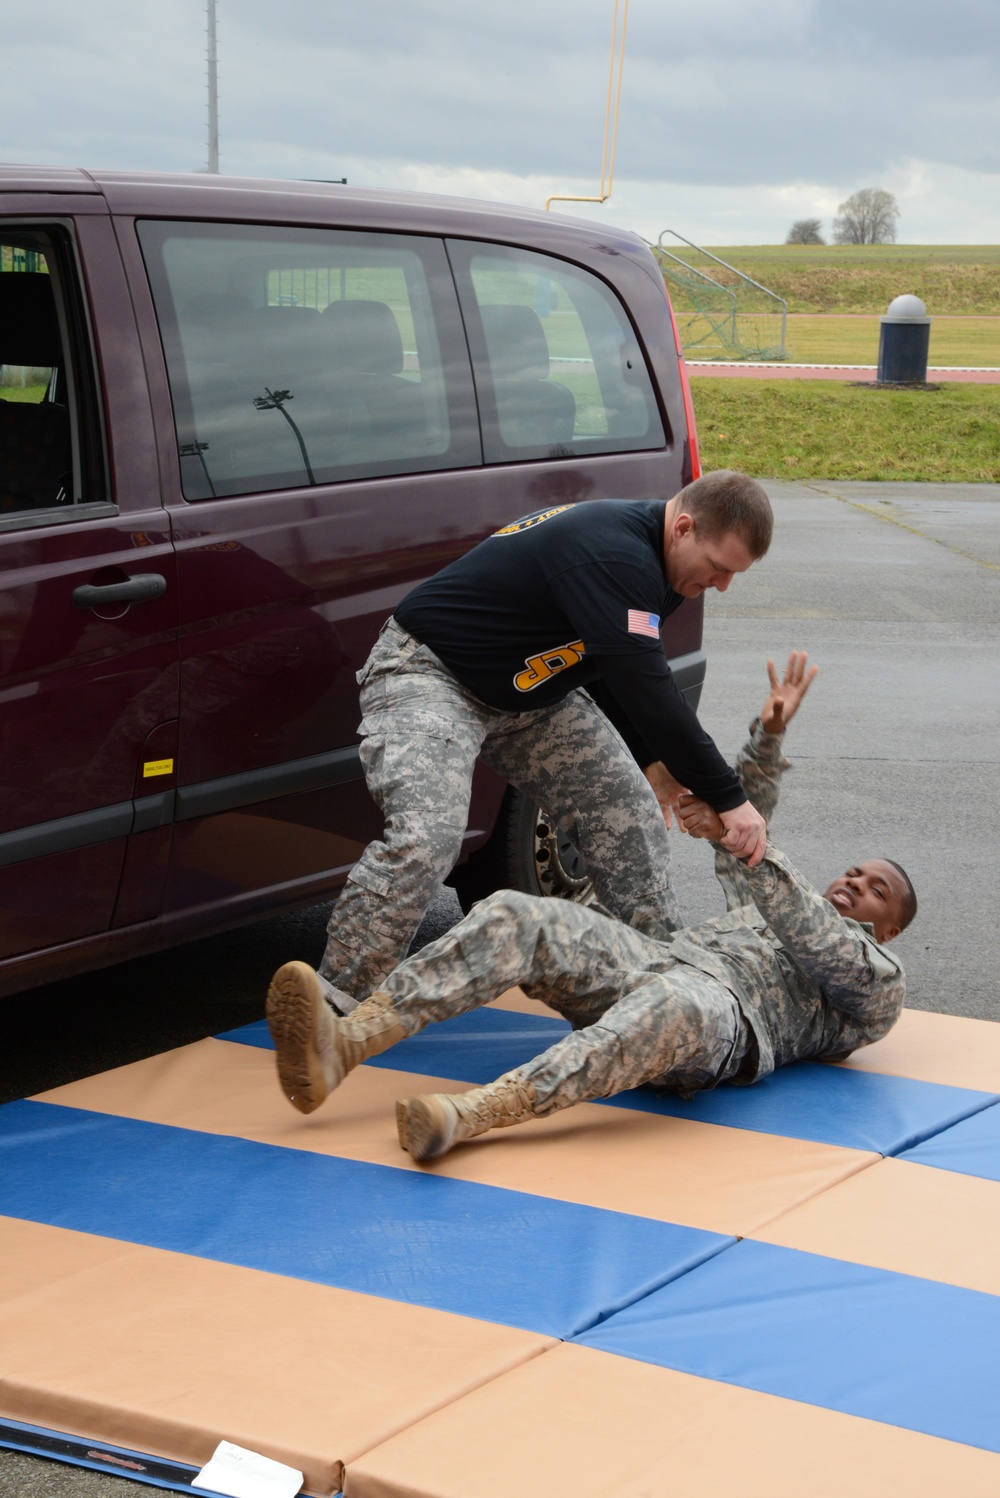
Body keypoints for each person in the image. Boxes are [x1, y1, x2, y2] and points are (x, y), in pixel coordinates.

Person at [265, 651, 917, 1162]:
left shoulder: (876, 986)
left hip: (720, 1022)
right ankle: (346, 1043)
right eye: (856, 872)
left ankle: (472, 1114)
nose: (856, 883)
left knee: (677, 1002)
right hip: (658, 965)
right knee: (515, 914)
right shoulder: (768, 906)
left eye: (875, 891)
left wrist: (743, 843)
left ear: (889, 930)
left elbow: (803, 921)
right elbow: (750, 822)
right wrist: (768, 737)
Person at [304, 470, 775, 1014]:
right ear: (684, 527)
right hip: (431, 672)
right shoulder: (615, 553)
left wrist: (651, 762)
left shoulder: (664, 565)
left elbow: (611, 665)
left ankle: (664, 992)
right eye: (718, 568)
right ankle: (332, 1003)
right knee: (429, 836)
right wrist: (732, 799)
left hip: (525, 692)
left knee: (627, 810)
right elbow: (653, 694)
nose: (721, 586)